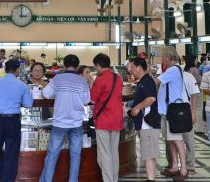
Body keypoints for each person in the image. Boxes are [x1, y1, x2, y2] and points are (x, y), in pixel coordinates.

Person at [40, 54, 91, 182]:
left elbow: (46, 94)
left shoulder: (57, 79)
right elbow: (87, 101)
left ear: (64, 64)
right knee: (75, 155)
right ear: (77, 65)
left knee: (52, 155)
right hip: (76, 123)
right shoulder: (82, 81)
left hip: (59, 123)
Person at [0, 60, 33, 182]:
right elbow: (28, 104)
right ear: (17, 70)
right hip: (12, 122)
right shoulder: (22, 85)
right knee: (11, 154)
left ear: (5, 70)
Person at [90, 53, 123, 182]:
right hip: (117, 119)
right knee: (114, 152)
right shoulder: (118, 78)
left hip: (103, 120)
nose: (95, 69)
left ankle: (108, 180)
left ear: (98, 65)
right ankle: (114, 179)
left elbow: (92, 100)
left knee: (104, 154)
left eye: (95, 66)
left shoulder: (100, 79)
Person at [156, 48, 188, 181]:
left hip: (173, 111)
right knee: (171, 140)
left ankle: (184, 169)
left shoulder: (173, 70)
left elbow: (156, 82)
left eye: (163, 57)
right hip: (167, 111)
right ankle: (174, 166)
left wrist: (144, 76)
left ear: (169, 58)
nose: (162, 60)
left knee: (177, 140)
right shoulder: (172, 70)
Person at [129, 57, 160, 182]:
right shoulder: (142, 81)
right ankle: (150, 178)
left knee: (149, 154)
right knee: (148, 153)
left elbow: (151, 98)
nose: (130, 70)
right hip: (144, 124)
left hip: (148, 123)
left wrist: (137, 108)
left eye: (132, 67)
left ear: (139, 67)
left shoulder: (147, 81)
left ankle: (151, 179)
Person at [185, 55, 203, 134]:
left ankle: (191, 125)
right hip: (197, 91)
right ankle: (198, 127)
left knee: (190, 108)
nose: (197, 61)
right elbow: (199, 80)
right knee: (198, 109)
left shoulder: (185, 70)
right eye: (196, 60)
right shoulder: (196, 70)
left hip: (188, 92)